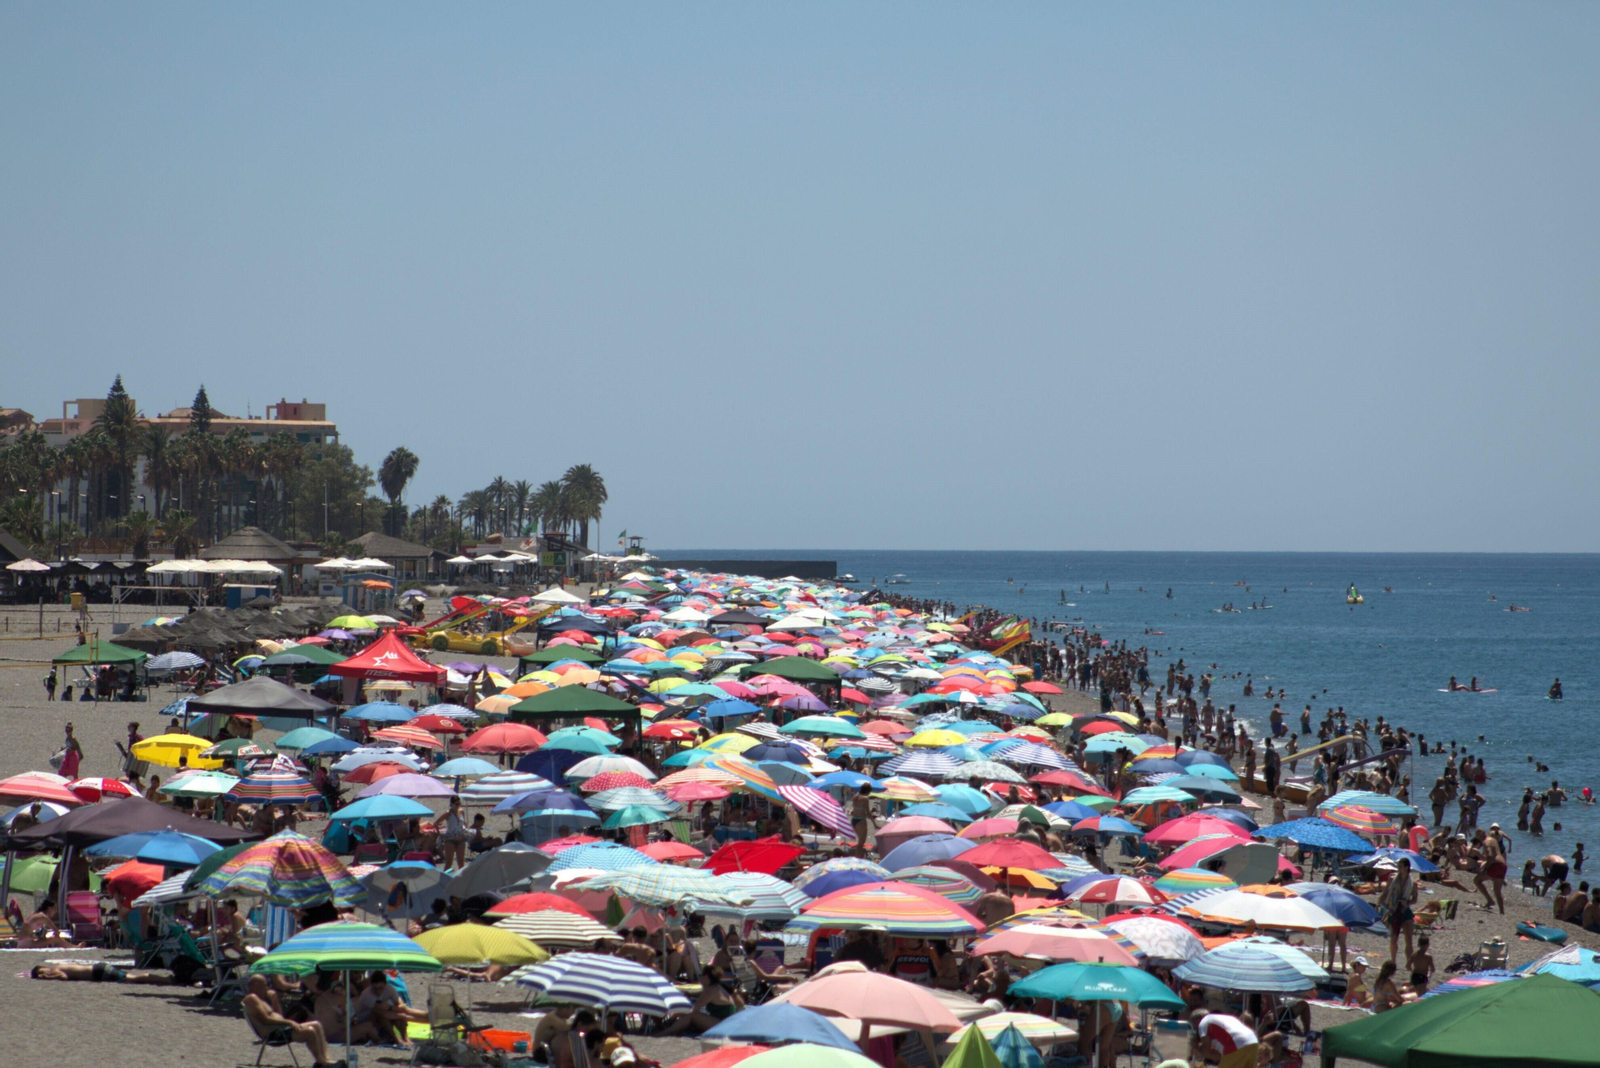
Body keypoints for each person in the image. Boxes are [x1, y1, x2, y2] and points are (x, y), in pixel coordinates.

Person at [243, 974, 341, 1068]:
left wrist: (275, 1001)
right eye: (264, 985)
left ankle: (325, 1059)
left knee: (317, 1024)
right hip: (273, 1034)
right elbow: (265, 1020)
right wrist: (289, 1022)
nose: (267, 988)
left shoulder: (260, 1000)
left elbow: (279, 1016)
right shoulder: (251, 998)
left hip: (280, 1029)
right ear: (256, 986)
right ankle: (320, 1061)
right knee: (310, 1032)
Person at [657, 965, 743, 1034]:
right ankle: (669, 1026)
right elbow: (698, 994)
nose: (700, 977)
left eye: (701, 975)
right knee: (692, 1014)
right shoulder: (718, 987)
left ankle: (666, 1032)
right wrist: (688, 994)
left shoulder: (710, 990)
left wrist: (675, 1014)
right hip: (728, 1022)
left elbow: (693, 1009)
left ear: (706, 977)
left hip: (723, 1025)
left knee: (692, 1015)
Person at [354, 970, 428, 1046]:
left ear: (385, 984)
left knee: (397, 1016)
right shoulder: (368, 995)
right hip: (367, 1020)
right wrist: (402, 1015)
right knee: (385, 1017)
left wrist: (391, 1008)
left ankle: (405, 1038)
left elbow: (402, 1006)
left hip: (382, 1014)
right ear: (371, 986)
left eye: (380, 988)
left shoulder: (389, 989)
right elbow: (381, 1013)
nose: (378, 991)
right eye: (375, 988)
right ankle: (397, 1039)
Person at [1380, 858, 1417, 962]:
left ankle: (1408, 963)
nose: (1398, 868)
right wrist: (1380, 903)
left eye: (1400, 866)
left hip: (1405, 910)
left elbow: (1415, 899)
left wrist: (1407, 902)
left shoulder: (1412, 883)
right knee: (1393, 940)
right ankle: (1393, 961)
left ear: (1406, 867)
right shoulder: (1393, 879)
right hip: (1393, 910)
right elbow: (1386, 892)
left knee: (1408, 939)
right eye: (1398, 866)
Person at [30, 961, 173, 983]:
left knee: (132, 978)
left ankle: (166, 980)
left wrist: (46, 977)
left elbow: (63, 976)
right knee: (131, 977)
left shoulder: (54, 969)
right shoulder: (57, 965)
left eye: (41, 972)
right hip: (98, 968)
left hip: (97, 972)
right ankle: (165, 979)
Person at [1474, 830, 1507, 913]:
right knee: (1497, 891)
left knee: (1477, 880)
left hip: (1495, 865)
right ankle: (1502, 912)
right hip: (1503, 865)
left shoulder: (1485, 842)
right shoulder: (1493, 840)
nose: (1478, 838)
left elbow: (1490, 855)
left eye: (1478, 836)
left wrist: (1486, 868)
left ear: (1482, 834)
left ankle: (1490, 900)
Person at [439, 797, 468, 870]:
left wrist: (465, 828)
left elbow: (464, 823)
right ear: (451, 804)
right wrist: (440, 835)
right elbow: (436, 823)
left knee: (461, 863)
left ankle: (461, 877)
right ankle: (444, 877)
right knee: (449, 863)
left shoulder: (461, 811)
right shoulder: (448, 813)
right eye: (457, 804)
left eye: (459, 804)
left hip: (461, 839)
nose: (458, 806)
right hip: (450, 840)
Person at [851, 783, 874, 849]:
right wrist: (874, 824)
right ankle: (857, 855)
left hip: (853, 820)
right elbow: (868, 812)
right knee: (861, 844)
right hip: (861, 821)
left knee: (860, 842)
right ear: (867, 791)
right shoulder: (865, 798)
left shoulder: (854, 797)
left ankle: (857, 854)